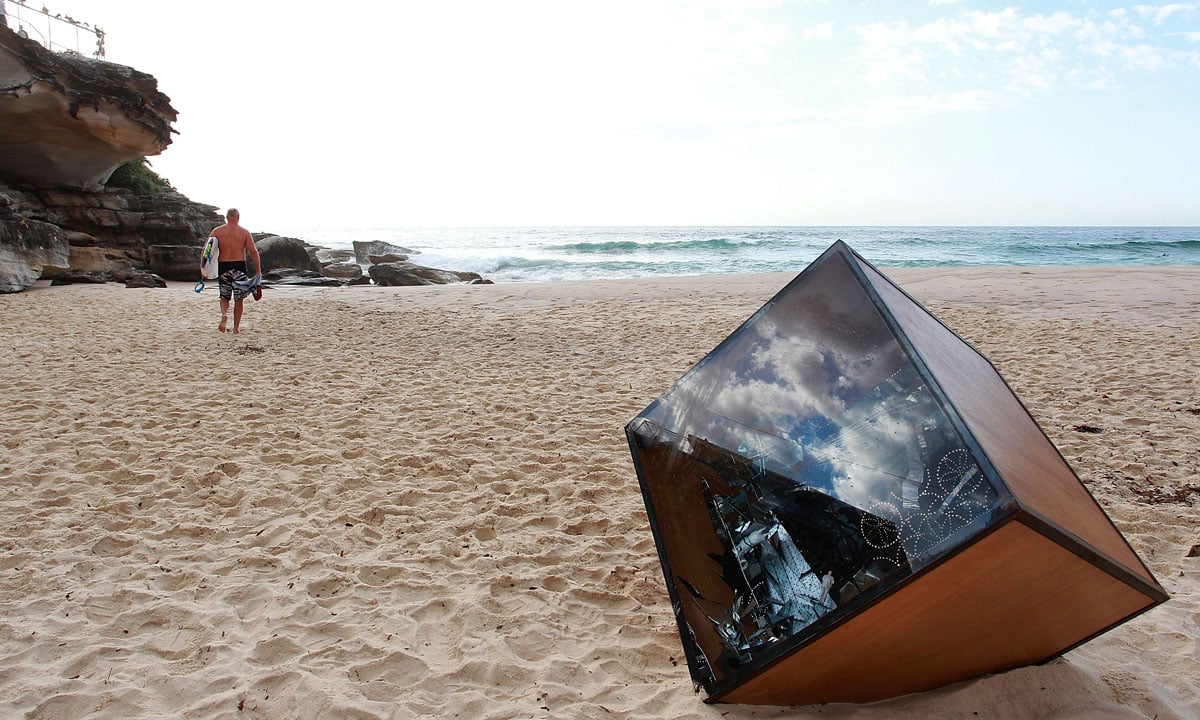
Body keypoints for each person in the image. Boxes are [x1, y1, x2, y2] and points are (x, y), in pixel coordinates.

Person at [209, 208, 262, 334]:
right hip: (239, 267)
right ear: (238, 217)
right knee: (239, 299)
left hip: (224, 266)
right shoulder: (244, 232)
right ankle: (236, 328)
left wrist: (204, 269)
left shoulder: (217, 231)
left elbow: (206, 251)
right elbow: (253, 252)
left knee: (224, 296)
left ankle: (224, 315)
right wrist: (258, 270)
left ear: (227, 217)